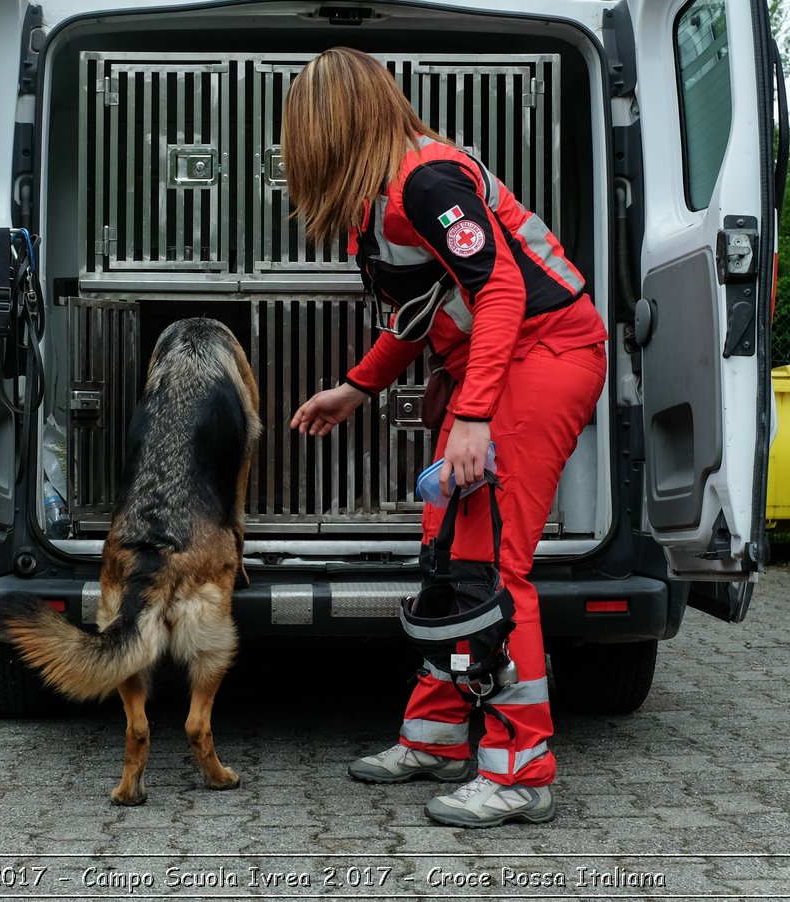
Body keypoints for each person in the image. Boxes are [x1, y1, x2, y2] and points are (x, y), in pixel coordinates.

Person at [283, 47, 607, 827]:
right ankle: (434, 734)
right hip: (502, 365)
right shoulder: (387, 197)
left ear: (332, 126)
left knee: (494, 570)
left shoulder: (424, 182)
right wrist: (356, 387)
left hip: (546, 353)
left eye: (301, 133)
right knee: (449, 557)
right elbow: (424, 311)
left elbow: (497, 288)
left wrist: (472, 415)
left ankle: (520, 772)